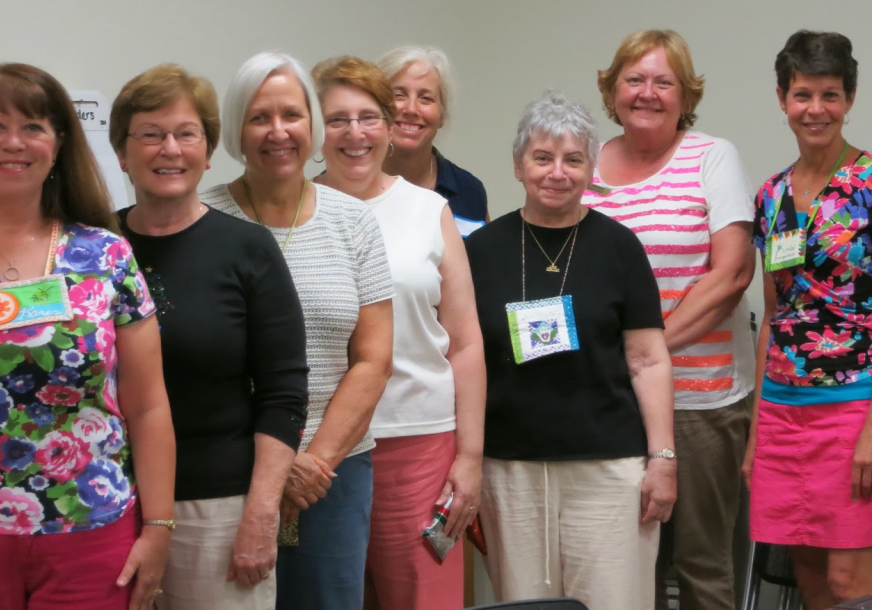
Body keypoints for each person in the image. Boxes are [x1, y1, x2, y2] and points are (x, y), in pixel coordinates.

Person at [0, 63, 175, 610]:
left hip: (92, 529)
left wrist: (159, 527)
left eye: (32, 127)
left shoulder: (105, 254)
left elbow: (148, 405)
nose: (14, 143)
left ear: (58, 145)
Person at [465, 90, 676, 610]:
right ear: (518, 165)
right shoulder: (478, 252)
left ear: (591, 168)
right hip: (509, 470)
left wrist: (663, 458)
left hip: (609, 468)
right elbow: (464, 361)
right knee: (524, 605)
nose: (557, 173)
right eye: (543, 158)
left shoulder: (620, 247)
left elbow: (648, 360)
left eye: (573, 160)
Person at [199, 51, 394, 610]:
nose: (278, 131)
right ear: (236, 129)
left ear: (313, 124)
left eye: (292, 115)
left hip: (332, 473)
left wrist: (312, 463)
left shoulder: (353, 221)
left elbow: (374, 359)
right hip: (228, 473)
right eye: (259, 117)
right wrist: (272, 469)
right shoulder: (203, 220)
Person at [109, 64, 309, 610]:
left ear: (208, 150)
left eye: (186, 133)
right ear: (121, 153)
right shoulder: (94, 250)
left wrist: (261, 515)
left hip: (218, 510)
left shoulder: (248, 249)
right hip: (108, 504)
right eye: (150, 134)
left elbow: (284, 395)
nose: (170, 149)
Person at [744, 30, 872, 609]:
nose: (815, 109)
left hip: (856, 406)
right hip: (783, 408)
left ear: (849, 99)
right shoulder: (770, 196)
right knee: (810, 577)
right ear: (782, 99)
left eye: (830, 95)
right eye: (802, 95)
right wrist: (756, 432)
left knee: (850, 583)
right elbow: (776, 315)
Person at [582, 29, 756, 610]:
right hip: (612, 399)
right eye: (634, 79)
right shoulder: (585, 164)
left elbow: (732, 274)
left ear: (686, 95)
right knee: (629, 564)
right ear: (613, 90)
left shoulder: (712, 157)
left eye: (664, 82)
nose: (647, 93)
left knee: (702, 563)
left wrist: (643, 354)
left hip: (700, 400)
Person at [311, 55, 485, 610]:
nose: (355, 133)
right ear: (314, 130)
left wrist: (470, 456)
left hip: (416, 442)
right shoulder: (290, 214)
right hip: (318, 449)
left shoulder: (429, 211)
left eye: (369, 118)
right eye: (337, 120)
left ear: (389, 127)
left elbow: (466, 342)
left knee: (422, 597)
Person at [378, 45, 489, 237]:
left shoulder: (469, 191)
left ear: (442, 116)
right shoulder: (341, 185)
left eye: (426, 98)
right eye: (398, 95)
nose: (411, 109)